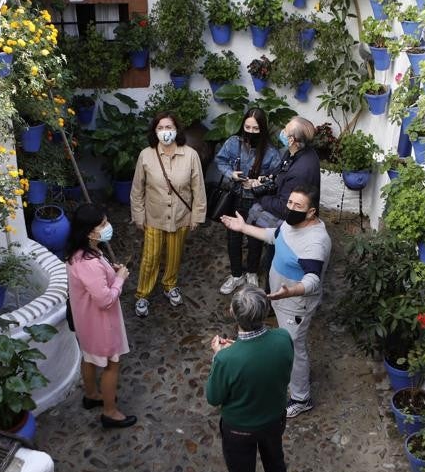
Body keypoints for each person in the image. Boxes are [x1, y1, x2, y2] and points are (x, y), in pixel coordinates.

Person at [220, 187, 331, 418]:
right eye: (289, 202)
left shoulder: (315, 242)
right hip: (281, 298)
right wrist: (243, 228)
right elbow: (274, 235)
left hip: (295, 303)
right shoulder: (291, 224)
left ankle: (301, 398)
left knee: (293, 348)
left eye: (297, 206)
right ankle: (290, 380)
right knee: (288, 342)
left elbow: (313, 280)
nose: (290, 208)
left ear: (311, 212)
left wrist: (290, 291)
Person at [206, 286, 294, 472]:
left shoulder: (226, 359)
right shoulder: (283, 338)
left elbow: (213, 397)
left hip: (239, 430)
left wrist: (218, 356)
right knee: (275, 463)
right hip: (274, 419)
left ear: (234, 314)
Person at [65, 203, 136, 429]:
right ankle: (110, 412)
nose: (107, 226)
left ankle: (92, 394)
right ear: (89, 232)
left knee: (89, 357)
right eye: (102, 224)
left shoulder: (81, 253)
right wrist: (120, 279)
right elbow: (105, 299)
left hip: (86, 322)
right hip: (100, 324)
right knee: (111, 365)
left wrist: (110, 271)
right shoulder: (88, 263)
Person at [130, 112, 206, 318]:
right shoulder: (146, 155)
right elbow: (138, 189)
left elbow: (198, 188)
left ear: (176, 130)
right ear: (154, 132)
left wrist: (197, 216)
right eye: (160, 128)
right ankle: (142, 294)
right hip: (154, 216)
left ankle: (169, 285)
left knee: (175, 254)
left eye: (168, 127)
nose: (165, 132)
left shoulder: (190, 155)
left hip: (181, 215)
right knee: (150, 257)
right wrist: (138, 215)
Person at [244, 116, 321, 286]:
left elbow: (284, 208)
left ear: (292, 139)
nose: (282, 132)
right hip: (286, 207)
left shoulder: (301, 171)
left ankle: (270, 295)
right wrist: (266, 179)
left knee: (274, 260)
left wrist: (259, 195)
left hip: (290, 222)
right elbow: (281, 170)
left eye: (285, 130)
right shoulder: (297, 152)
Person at [214, 108, 282, 295]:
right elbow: (220, 161)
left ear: (262, 129)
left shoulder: (270, 151)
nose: (251, 131)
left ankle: (252, 272)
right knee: (233, 238)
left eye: (255, 128)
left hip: (258, 202)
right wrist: (231, 174)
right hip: (235, 197)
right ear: (243, 125)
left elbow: (276, 177)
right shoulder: (233, 143)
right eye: (247, 127)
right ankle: (236, 275)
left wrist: (260, 182)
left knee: (255, 239)